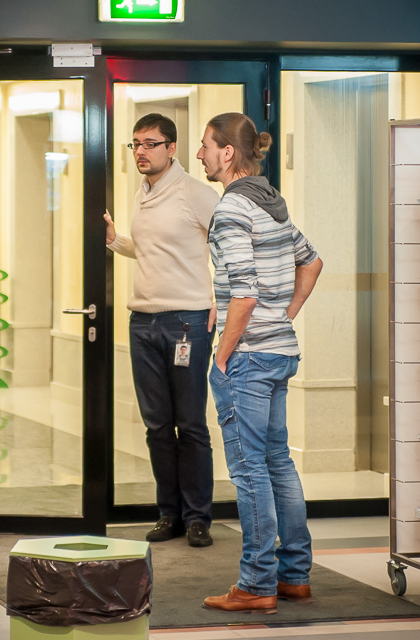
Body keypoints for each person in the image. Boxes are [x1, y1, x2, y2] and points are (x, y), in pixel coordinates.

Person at [196, 113, 324, 613]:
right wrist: (284, 316)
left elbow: (245, 295)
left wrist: (222, 356)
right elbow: (311, 261)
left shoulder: (232, 208)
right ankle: (294, 576)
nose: (201, 154)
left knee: (250, 470)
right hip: (279, 351)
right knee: (277, 462)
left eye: (207, 146)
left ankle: (256, 584)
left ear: (227, 152)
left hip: (248, 357)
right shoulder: (270, 202)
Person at [104, 113, 219, 547]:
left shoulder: (196, 193)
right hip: (143, 322)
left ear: (172, 148)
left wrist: (221, 300)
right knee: (156, 426)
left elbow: (230, 247)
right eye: (136, 144)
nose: (141, 151)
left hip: (187, 321)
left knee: (190, 425)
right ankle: (169, 514)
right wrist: (115, 240)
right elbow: (153, 251)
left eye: (150, 144)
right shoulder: (143, 192)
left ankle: (198, 518)